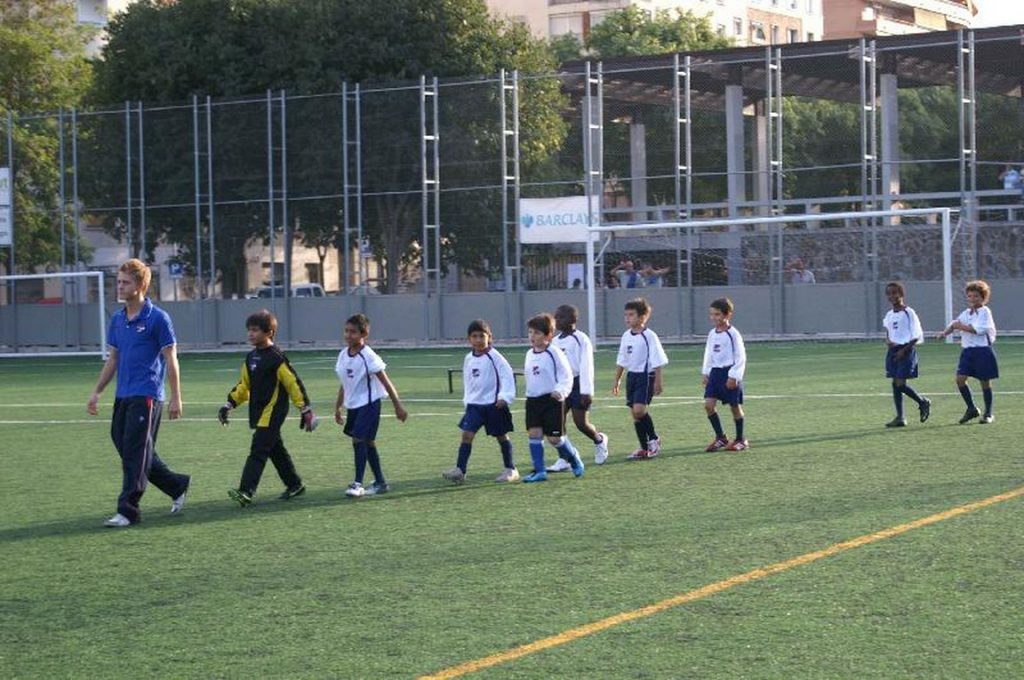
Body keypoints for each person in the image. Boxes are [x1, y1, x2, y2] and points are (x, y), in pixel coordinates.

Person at [86, 258, 191, 528]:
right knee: (129, 446)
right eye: (118, 282)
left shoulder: (158, 318)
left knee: (135, 451)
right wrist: (97, 391)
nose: (119, 287)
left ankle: (128, 510)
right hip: (123, 395)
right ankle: (177, 484)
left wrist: (177, 397)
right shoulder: (118, 319)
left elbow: (171, 359)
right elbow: (113, 359)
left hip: (147, 395)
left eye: (125, 282)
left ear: (141, 284)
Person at [218, 309, 317, 506]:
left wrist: (304, 408)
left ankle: (246, 491)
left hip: (273, 412)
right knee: (275, 450)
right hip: (258, 412)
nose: (250, 334)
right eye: (249, 330)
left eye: (255, 330)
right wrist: (229, 404)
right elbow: (243, 385)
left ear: (269, 332)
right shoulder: (251, 358)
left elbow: (292, 383)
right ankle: (294, 484)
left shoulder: (277, 357)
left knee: (258, 450)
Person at [334, 313, 408, 497]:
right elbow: (345, 383)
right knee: (368, 442)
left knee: (358, 439)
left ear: (364, 333)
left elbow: (386, 382)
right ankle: (381, 482)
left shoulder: (368, 356)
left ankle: (357, 483)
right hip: (354, 406)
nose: (348, 335)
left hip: (369, 404)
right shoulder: (343, 355)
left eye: (353, 332)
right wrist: (338, 406)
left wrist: (398, 406)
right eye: (346, 331)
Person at [442, 319, 519, 484]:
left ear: (489, 337)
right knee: (466, 436)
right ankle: (460, 470)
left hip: (494, 405)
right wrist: (467, 399)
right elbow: (468, 380)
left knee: (501, 436)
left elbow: (507, 375)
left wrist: (504, 397)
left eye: (481, 336)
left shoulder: (495, 357)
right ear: (469, 339)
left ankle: (511, 469)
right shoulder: (469, 358)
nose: (478, 340)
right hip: (474, 405)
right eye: (474, 336)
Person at [521, 313, 585, 483]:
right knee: (534, 434)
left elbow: (567, 375)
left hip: (552, 401)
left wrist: (561, 391)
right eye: (530, 332)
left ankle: (573, 459)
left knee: (554, 439)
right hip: (533, 401)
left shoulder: (554, 353)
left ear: (548, 335)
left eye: (536, 333)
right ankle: (540, 471)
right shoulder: (529, 354)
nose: (532, 337)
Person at [547, 304, 609, 471]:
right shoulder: (554, 342)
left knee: (581, 423)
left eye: (560, 317)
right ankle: (565, 458)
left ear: (572, 320)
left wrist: (586, 391)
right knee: (557, 424)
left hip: (578, 384)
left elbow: (586, 365)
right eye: (556, 317)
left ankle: (599, 440)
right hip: (562, 385)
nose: (556, 320)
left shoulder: (581, 339)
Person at [612, 297, 669, 460]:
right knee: (634, 413)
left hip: (646, 376)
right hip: (632, 377)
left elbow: (657, 360)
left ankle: (654, 439)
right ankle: (644, 448)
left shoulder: (649, 336)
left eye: (631, 315)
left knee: (639, 410)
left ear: (643, 317)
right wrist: (617, 380)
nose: (627, 318)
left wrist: (658, 381)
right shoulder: (626, 336)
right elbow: (622, 359)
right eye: (626, 315)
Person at [937, 280, 998, 424]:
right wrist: (944, 333)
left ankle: (988, 413)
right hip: (967, 352)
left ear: (983, 297)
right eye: (970, 296)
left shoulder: (985, 312)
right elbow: (954, 324)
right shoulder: (966, 313)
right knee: (960, 379)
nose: (972, 299)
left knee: (985, 382)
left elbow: (978, 330)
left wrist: (961, 327)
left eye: (976, 296)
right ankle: (971, 408)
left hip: (982, 351)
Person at [701, 298, 749, 451]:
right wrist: (706, 372)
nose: (714, 318)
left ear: (727, 315)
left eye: (717, 314)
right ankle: (721, 437)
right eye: (712, 314)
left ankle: (741, 439)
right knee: (708, 405)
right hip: (715, 373)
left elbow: (741, 356)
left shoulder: (733, 334)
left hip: (729, 373)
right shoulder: (712, 334)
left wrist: (734, 375)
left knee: (734, 407)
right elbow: (708, 354)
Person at [882, 282, 931, 428]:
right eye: (889, 294)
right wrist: (889, 341)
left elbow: (916, 334)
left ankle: (922, 401)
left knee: (900, 384)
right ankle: (900, 417)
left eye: (895, 293)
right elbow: (888, 330)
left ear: (901, 294)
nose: (892, 296)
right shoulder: (889, 315)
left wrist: (904, 350)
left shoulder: (908, 312)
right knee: (895, 383)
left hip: (906, 350)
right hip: (893, 351)